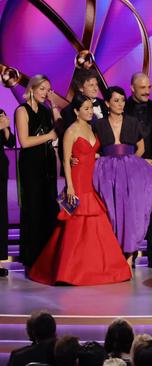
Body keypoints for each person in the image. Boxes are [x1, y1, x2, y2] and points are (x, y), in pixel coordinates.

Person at [28, 95, 132, 285]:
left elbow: (93, 152)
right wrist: (70, 186)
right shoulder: (71, 131)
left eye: (91, 108)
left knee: (97, 223)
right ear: (76, 111)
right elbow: (66, 160)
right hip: (77, 180)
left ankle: (100, 267)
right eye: (85, 108)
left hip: (92, 181)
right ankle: (68, 271)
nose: (90, 111)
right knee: (74, 225)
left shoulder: (92, 128)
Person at [93, 86, 152, 268]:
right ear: (107, 103)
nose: (121, 104)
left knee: (131, 213)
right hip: (106, 171)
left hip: (130, 170)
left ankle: (129, 258)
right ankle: (114, 254)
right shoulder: (99, 125)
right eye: (116, 100)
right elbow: (93, 147)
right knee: (112, 213)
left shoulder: (132, 122)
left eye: (122, 100)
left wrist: (132, 163)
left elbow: (141, 147)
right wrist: (98, 157)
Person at [14, 75, 60, 269]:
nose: (45, 93)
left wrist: (55, 106)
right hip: (30, 166)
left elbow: (59, 129)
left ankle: (48, 256)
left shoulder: (46, 110)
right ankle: (31, 257)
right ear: (32, 89)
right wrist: (49, 136)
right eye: (42, 89)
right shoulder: (21, 111)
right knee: (33, 209)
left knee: (50, 209)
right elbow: (24, 142)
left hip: (47, 164)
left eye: (48, 90)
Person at [124, 72, 152, 269]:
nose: (147, 91)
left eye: (149, 87)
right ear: (132, 88)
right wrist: (139, 160)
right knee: (130, 212)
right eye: (143, 88)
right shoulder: (121, 108)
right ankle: (128, 256)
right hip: (130, 167)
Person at [0, 109, 15, 277]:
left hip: (1, 171)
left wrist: (5, 128)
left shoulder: (1, 113)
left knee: (1, 215)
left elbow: (10, 142)